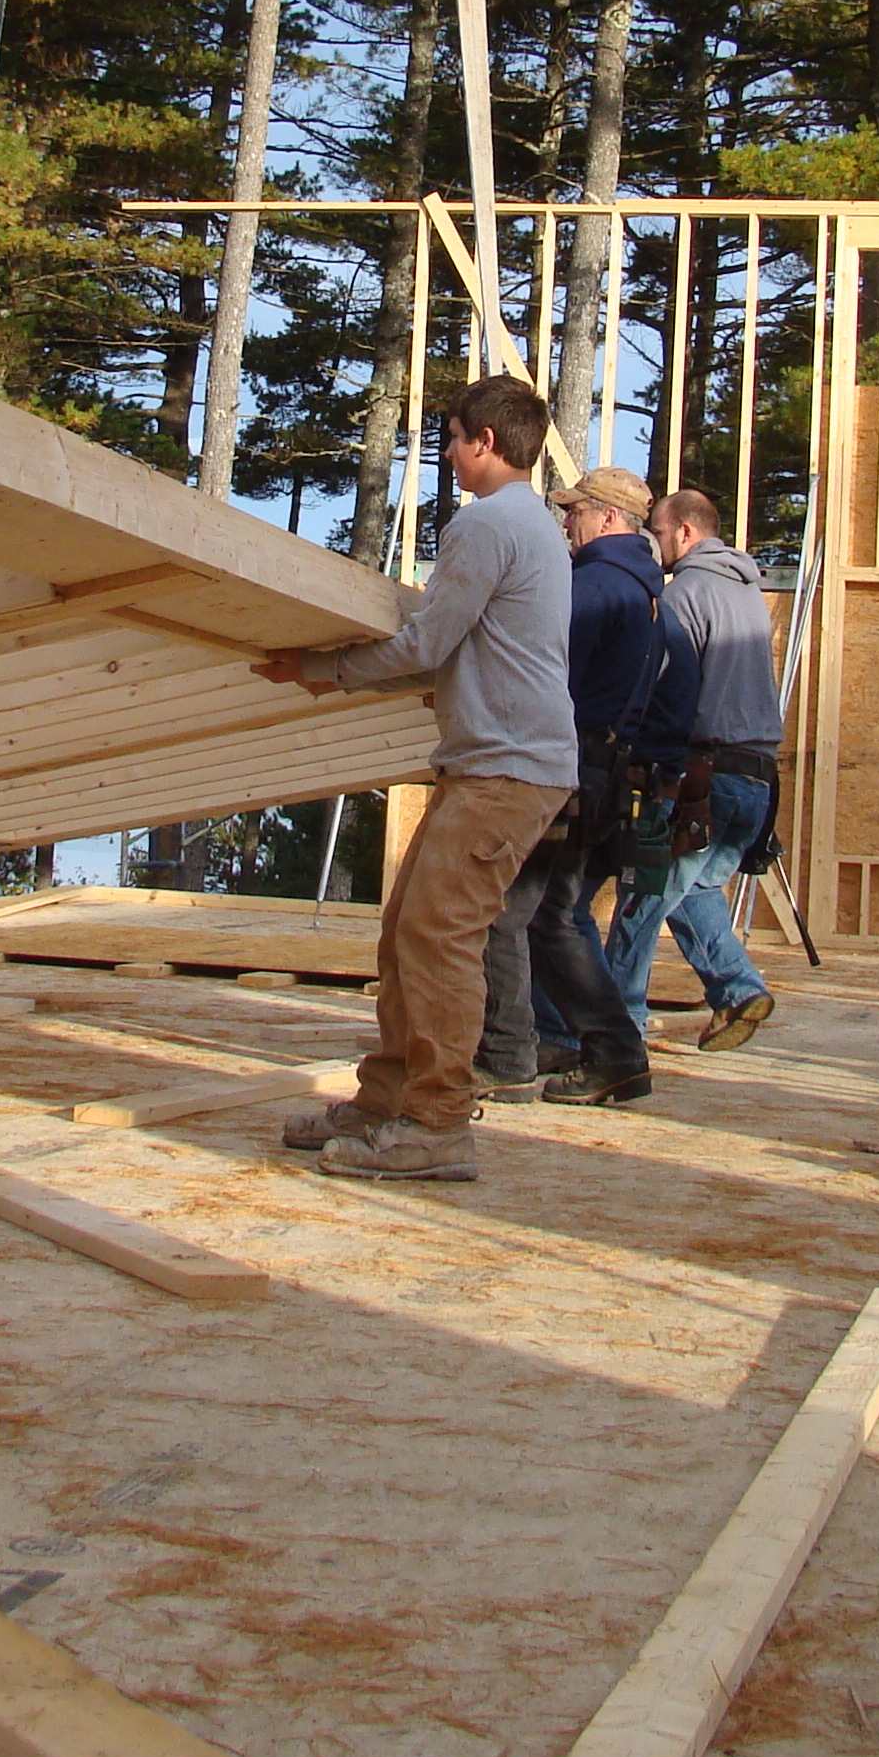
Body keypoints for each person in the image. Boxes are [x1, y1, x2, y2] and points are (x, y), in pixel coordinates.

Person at [253, 375, 575, 1181]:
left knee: (438, 938)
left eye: (454, 439)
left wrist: (321, 668)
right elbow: (449, 652)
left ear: (485, 441)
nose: (449, 454)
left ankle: (435, 1125)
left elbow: (425, 644)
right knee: (409, 931)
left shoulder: (487, 524)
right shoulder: (531, 524)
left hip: (507, 768)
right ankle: (388, 1102)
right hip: (497, 763)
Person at [471, 464, 662, 1108]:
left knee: (514, 912)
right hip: (601, 773)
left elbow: (542, 672)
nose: (565, 522)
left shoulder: (599, 587)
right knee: (552, 916)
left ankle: (515, 1055)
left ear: (608, 518)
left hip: (570, 771)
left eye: (576, 511)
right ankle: (599, 1052)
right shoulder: (643, 589)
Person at [613, 487, 779, 1050]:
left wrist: (639, 752)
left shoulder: (685, 593)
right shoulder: (748, 591)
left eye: (659, 533)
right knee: (695, 890)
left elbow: (669, 688)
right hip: (757, 780)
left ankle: (618, 1031)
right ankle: (738, 989)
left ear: (685, 532)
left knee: (642, 899)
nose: (654, 544)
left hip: (705, 775)